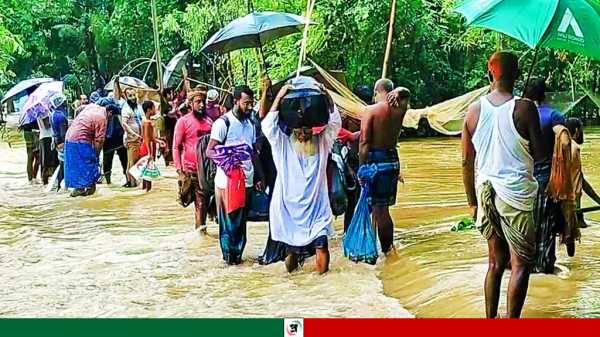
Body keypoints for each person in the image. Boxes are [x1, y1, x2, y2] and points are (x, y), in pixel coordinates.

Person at [462, 52, 544, 318]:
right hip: (516, 194)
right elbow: (541, 153)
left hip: (485, 191)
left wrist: (472, 202)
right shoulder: (525, 108)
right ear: (517, 75)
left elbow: (465, 161)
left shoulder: (473, 111)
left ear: (490, 73)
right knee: (521, 264)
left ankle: (490, 321)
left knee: (495, 263)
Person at [262, 81, 341, 274]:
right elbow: (267, 124)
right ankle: (294, 285)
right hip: (290, 210)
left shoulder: (322, 141)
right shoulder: (282, 144)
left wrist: (328, 98)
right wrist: (280, 96)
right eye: (299, 131)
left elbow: (335, 123)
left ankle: (323, 285)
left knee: (322, 245)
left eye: (307, 131)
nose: (304, 135)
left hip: (317, 208)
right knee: (293, 253)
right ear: (293, 130)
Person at [206, 85, 264, 265]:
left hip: (247, 181)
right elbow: (210, 151)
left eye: (251, 103)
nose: (249, 107)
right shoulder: (223, 123)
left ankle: (237, 260)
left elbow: (253, 152)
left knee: (240, 224)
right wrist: (229, 162)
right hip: (227, 182)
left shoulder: (250, 124)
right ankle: (229, 260)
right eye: (246, 103)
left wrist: (260, 176)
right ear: (236, 100)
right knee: (229, 224)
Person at [358, 78, 409, 254]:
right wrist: (400, 90)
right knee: (382, 208)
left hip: (375, 159)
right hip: (393, 159)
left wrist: (361, 167)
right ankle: (388, 249)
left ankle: (387, 251)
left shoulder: (370, 110)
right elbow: (406, 93)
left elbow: (364, 142)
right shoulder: (399, 108)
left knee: (380, 210)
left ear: (376, 91)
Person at [525, 78, 566, 274]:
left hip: (521, 180)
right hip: (546, 180)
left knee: (526, 225)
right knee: (546, 225)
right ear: (544, 94)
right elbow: (565, 145)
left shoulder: (518, 115)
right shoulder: (554, 116)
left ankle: (523, 266)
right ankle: (543, 266)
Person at [173, 89, 213, 232]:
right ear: (190, 104)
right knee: (200, 204)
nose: (201, 105)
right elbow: (176, 147)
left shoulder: (209, 122)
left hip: (208, 172)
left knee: (207, 204)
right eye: (198, 102)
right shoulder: (183, 122)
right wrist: (179, 171)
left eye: (203, 101)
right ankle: (200, 235)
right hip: (191, 171)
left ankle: (202, 234)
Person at [64, 104, 108, 197]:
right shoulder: (102, 118)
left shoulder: (91, 106)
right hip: (81, 141)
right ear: (110, 113)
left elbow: (78, 110)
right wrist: (96, 155)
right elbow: (99, 141)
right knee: (89, 166)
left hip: (69, 137)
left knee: (79, 168)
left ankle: (80, 190)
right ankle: (82, 191)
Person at [115, 77, 144, 188]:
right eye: (130, 96)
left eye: (133, 95)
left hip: (139, 139)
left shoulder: (138, 106)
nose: (132, 98)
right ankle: (132, 184)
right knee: (133, 164)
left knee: (132, 163)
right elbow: (124, 124)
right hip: (132, 140)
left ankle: (131, 183)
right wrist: (134, 134)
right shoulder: (126, 108)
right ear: (126, 97)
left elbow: (142, 119)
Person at [97, 97, 127, 185]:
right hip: (110, 139)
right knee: (108, 162)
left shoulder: (116, 110)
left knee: (123, 160)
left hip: (117, 138)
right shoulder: (102, 115)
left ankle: (125, 178)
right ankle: (108, 181)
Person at [50, 94, 69, 191]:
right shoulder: (61, 116)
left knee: (62, 164)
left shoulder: (53, 114)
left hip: (56, 142)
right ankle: (61, 186)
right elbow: (63, 133)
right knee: (64, 165)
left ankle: (59, 186)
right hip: (62, 143)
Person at [37, 107, 59, 185]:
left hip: (48, 137)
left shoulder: (48, 112)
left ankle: (51, 181)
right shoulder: (42, 113)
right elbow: (47, 125)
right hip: (46, 138)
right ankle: (45, 181)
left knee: (51, 160)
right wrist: (52, 119)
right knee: (47, 161)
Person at [141, 101, 158, 192]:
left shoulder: (144, 121)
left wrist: (158, 141)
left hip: (145, 146)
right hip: (148, 147)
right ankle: (147, 191)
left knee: (145, 172)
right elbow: (147, 139)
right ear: (149, 110)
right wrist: (149, 153)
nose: (155, 109)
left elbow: (147, 137)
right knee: (148, 173)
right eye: (154, 107)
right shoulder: (147, 123)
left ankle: (144, 190)